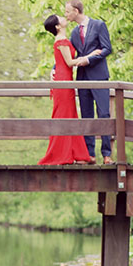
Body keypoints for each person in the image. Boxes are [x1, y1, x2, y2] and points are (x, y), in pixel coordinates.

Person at [37, 13, 98, 166]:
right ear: (58, 26)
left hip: (65, 79)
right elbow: (70, 62)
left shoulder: (63, 40)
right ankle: (63, 154)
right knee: (64, 115)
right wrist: (91, 55)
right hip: (63, 81)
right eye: (61, 18)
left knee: (70, 115)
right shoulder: (61, 41)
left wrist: (54, 69)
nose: (64, 19)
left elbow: (62, 62)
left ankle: (76, 154)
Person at [65, 0, 113, 164]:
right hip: (83, 78)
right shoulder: (73, 33)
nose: (66, 15)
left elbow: (107, 49)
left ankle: (107, 154)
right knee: (86, 116)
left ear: (76, 11)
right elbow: (68, 53)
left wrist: (89, 60)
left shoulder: (99, 25)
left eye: (67, 11)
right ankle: (89, 155)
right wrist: (54, 68)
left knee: (104, 114)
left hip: (99, 77)